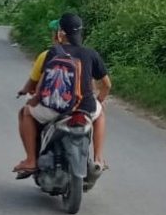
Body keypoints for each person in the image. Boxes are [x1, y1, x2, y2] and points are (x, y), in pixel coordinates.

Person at [13, 13, 111, 176]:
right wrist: (99, 100)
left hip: (57, 108)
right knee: (100, 115)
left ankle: (31, 160)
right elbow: (107, 85)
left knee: (26, 113)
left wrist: (35, 99)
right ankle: (99, 159)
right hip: (84, 109)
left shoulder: (53, 52)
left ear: (60, 33)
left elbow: (43, 83)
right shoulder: (91, 53)